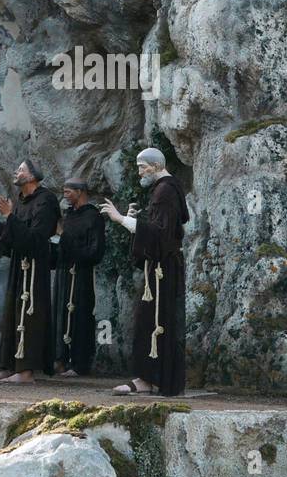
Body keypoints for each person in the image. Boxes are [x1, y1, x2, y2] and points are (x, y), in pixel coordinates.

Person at [102, 147, 190, 396]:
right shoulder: (166, 190)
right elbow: (160, 229)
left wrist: (121, 220)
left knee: (154, 321)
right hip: (162, 269)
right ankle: (151, 379)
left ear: (157, 165)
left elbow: (161, 235)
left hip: (163, 270)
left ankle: (149, 379)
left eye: (143, 166)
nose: (139, 171)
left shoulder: (164, 191)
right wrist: (137, 221)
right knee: (153, 320)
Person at [0, 159, 60, 383]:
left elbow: (35, 238)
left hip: (35, 267)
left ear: (33, 176)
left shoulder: (47, 201)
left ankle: (25, 372)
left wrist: (9, 216)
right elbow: (14, 235)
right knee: (12, 314)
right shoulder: (21, 202)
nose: (16, 172)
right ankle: (9, 366)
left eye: (21, 170)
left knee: (30, 316)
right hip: (19, 266)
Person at [51, 177, 106, 377]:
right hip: (64, 274)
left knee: (80, 317)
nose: (65, 196)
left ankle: (79, 363)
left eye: (68, 192)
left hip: (81, 275)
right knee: (60, 315)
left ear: (80, 192)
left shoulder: (93, 217)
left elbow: (95, 251)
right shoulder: (68, 216)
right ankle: (61, 359)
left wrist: (63, 237)